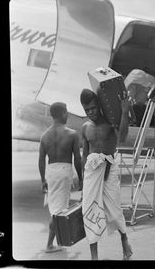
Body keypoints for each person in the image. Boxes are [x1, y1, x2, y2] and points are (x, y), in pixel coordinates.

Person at [80, 88, 133, 260]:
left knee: (115, 210)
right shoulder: (85, 127)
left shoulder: (110, 123)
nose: (91, 112)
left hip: (110, 169)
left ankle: (124, 238)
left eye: (93, 108)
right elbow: (84, 155)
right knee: (89, 211)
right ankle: (94, 256)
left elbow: (123, 137)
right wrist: (82, 183)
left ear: (99, 106)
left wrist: (124, 112)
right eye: (87, 110)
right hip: (91, 173)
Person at [38, 102, 82, 253]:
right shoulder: (72, 134)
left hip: (51, 171)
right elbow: (77, 158)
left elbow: (41, 160)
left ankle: (58, 241)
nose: (68, 114)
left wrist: (43, 180)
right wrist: (81, 178)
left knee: (56, 209)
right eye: (67, 112)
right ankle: (49, 245)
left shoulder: (44, 136)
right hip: (64, 171)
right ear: (63, 113)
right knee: (58, 211)